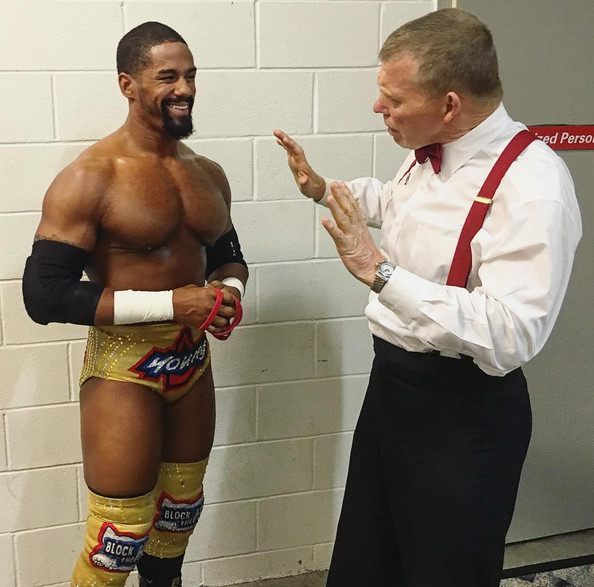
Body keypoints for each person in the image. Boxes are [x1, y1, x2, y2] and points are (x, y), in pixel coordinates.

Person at [275, 8, 581, 587]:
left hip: (464, 416)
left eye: (392, 98)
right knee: (369, 563)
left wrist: (379, 271)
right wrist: (324, 190)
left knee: (444, 572)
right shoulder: (430, 150)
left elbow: (513, 332)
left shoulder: (534, 187)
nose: (378, 108)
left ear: (449, 104)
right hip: (393, 393)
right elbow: (398, 204)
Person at [22, 21, 248, 587]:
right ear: (127, 84)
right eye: (167, 76)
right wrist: (172, 303)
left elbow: (227, 255)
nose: (185, 88)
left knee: (177, 519)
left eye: (191, 75)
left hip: (192, 365)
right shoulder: (90, 177)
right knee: (118, 537)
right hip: (125, 370)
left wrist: (228, 295)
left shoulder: (207, 174)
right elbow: (43, 295)